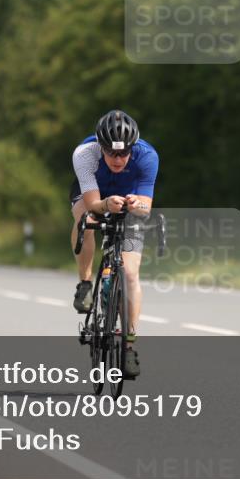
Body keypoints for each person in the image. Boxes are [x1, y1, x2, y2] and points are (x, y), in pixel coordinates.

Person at [70, 109, 158, 379]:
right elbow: (94, 204)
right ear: (101, 147)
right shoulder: (84, 154)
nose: (118, 159)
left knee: (131, 274)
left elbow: (146, 209)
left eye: (123, 153)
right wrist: (105, 204)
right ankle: (85, 283)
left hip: (129, 200)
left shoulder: (148, 156)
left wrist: (136, 204)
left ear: (133, 148)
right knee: (87, 221)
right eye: (111, 153)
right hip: (95, 195)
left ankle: (129, 347)